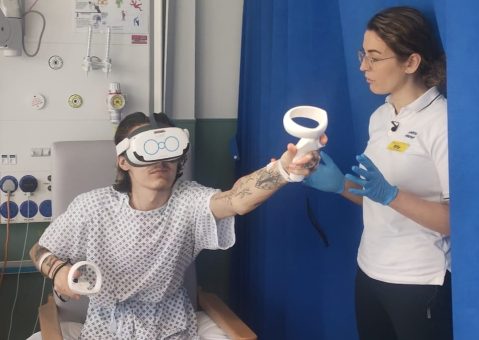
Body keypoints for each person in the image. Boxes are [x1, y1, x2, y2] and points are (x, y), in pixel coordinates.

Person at [29, 111, 325, 339]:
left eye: (168, 147)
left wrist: (284, 170)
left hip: (172, 327)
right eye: (148, 149)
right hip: (107, 328)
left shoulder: (188, 201)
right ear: (124, 161)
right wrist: (58, 270)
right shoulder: (92, 207)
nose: (161, 160)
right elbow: (40, 249)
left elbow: (236, 200)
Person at [302, 6, 452, 340]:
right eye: (362, 54)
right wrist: (340, 184)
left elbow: (454, 221)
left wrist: (393, 195)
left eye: (374, 57)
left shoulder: (442, 122)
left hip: (418, 281)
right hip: (369, 271)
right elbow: (374, 195)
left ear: (410, 62)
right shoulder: (381, 117)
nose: (362, 67)